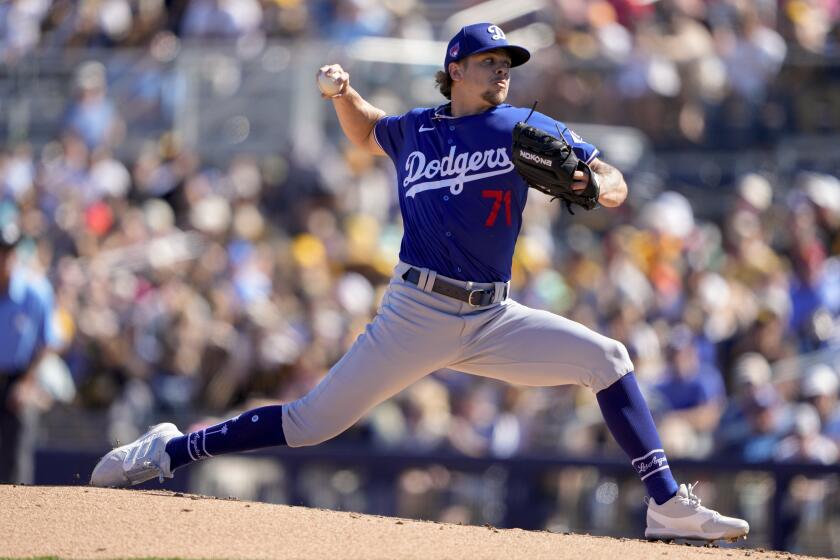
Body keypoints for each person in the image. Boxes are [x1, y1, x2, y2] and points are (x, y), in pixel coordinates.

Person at [91, 22, 749, 542]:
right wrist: (342, 94)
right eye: (491, 62)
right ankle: (171, 449)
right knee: (311, 423)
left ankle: (667, 503)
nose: (502, 72)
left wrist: (594, 183)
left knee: (608, 360)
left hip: (495, 317)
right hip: (416, 311)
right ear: (455, 70)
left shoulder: (525, 127)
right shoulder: (418, 129)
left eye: (508, 65)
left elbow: (611, 178)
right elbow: (367, 130)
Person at [0, 219, 55, 483]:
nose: (4, 258)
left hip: (18, 379)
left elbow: (46, 342)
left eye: (8, 251)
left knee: (15, 460)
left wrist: (27, 382)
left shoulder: (36, 292)